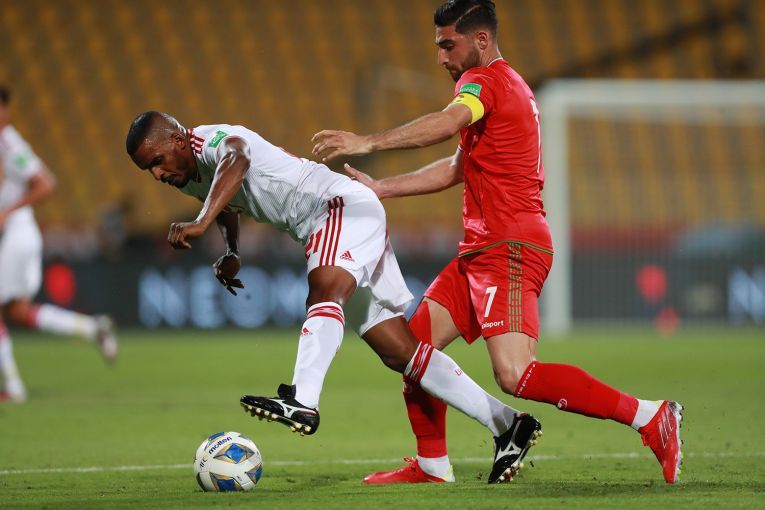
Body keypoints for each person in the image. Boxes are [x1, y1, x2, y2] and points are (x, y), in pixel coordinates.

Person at [311, 0, 683, 485]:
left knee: (516, 374)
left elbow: (447, 123)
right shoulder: (504, 90)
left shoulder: (484, 82)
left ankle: (650, 416)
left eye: (449, 45)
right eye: (438, 47)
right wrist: (383, 188)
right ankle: (432, 465)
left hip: (510, 247)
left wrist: (368, 142)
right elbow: (457, 168)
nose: (442, 58)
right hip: (481, 250)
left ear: (481, 40)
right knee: (415, 353)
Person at [125, 110, 542, 484]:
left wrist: (200, 222)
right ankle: (507, 423)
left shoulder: (211, 140)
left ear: (178, 139)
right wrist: (232, 250)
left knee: (324, 291)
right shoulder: (190, 175)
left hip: (336, 207)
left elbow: (237, 158)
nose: (158, 174)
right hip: (334, 222)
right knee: (400, 351)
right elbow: (227, 200)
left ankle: (303, 400)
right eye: (148, 170)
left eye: (158, 160)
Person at [0, 86, 118, 403]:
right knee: (19, 313)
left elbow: (45, 183)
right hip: (14, 235)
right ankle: (93, 328)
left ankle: (13, 387)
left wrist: (7, 212)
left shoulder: (8, 142)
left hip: (16, 233)